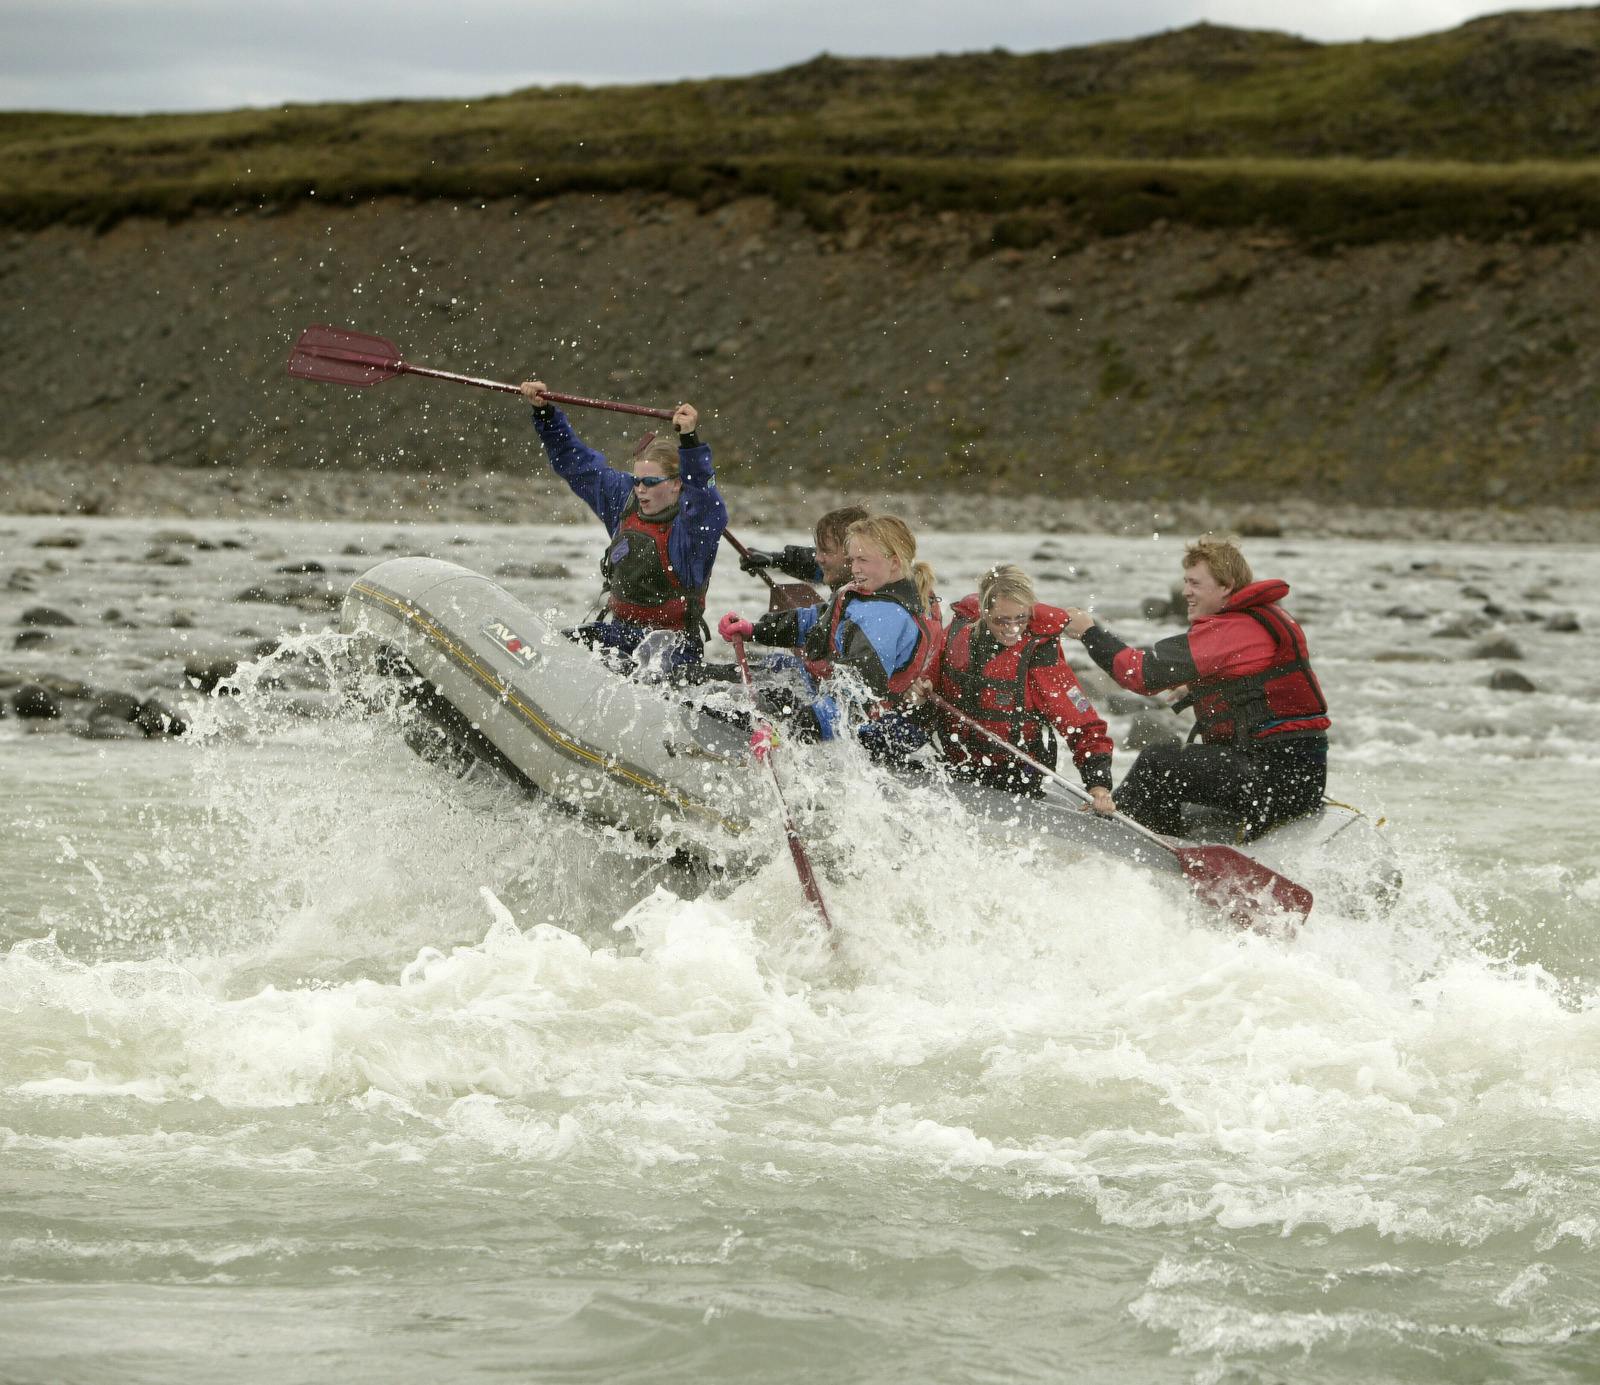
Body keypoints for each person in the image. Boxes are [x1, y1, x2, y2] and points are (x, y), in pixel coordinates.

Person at [1062, 536, 1329, 840]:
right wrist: (1197, 688)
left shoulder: (1231, 629)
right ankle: (1165, 838)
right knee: (1178, 763)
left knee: (1159, 760)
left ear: (1226, 586)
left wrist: (1089, 632)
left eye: (1195, 583)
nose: (1185, 592)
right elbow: (1255, 677)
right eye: (1185, 582)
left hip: (1274, 779)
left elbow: (1138, 674)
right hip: (1298, 777)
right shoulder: (1260, 619)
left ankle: (1118, 839)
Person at [518, 380, 726, 667]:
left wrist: (690, 441)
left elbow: (704, 494)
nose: (641, 489)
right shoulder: (624, 501)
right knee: (554, 651)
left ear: (677, 484)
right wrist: (545, 414)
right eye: (638, 480)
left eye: (651, 482)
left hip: (674, 646)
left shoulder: (694, 527)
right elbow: (576, 463)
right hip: (618, 633)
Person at [717, 514, 942, 755]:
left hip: (873, 726)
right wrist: (755, 630)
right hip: (826, 691)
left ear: (895, 563)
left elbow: (852, 699)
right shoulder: (869, 592)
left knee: (731, 696)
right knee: (725, 677)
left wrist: (784, 731)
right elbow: (815, 622)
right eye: (853, 559)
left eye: (862, 560)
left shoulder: (886, 621)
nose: (854, 568)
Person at [934, 564, 1116, 811]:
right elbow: (927, 680)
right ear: (984, 613)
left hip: (1016, 778)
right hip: (955, 766)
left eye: (1020, 619)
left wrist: (1098, 786)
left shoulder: (1038, 655)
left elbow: (1082, 724)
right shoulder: (958, 633)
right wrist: (920, 687)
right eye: (1002, 620)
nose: (1012, 629)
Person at [736, 504, 871, 592]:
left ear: (856, 555)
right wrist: (774, 559)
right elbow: (809, 564)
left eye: (826, 551)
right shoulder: (844, 572)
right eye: (818, 549)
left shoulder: (873, 599)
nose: (818, 558)